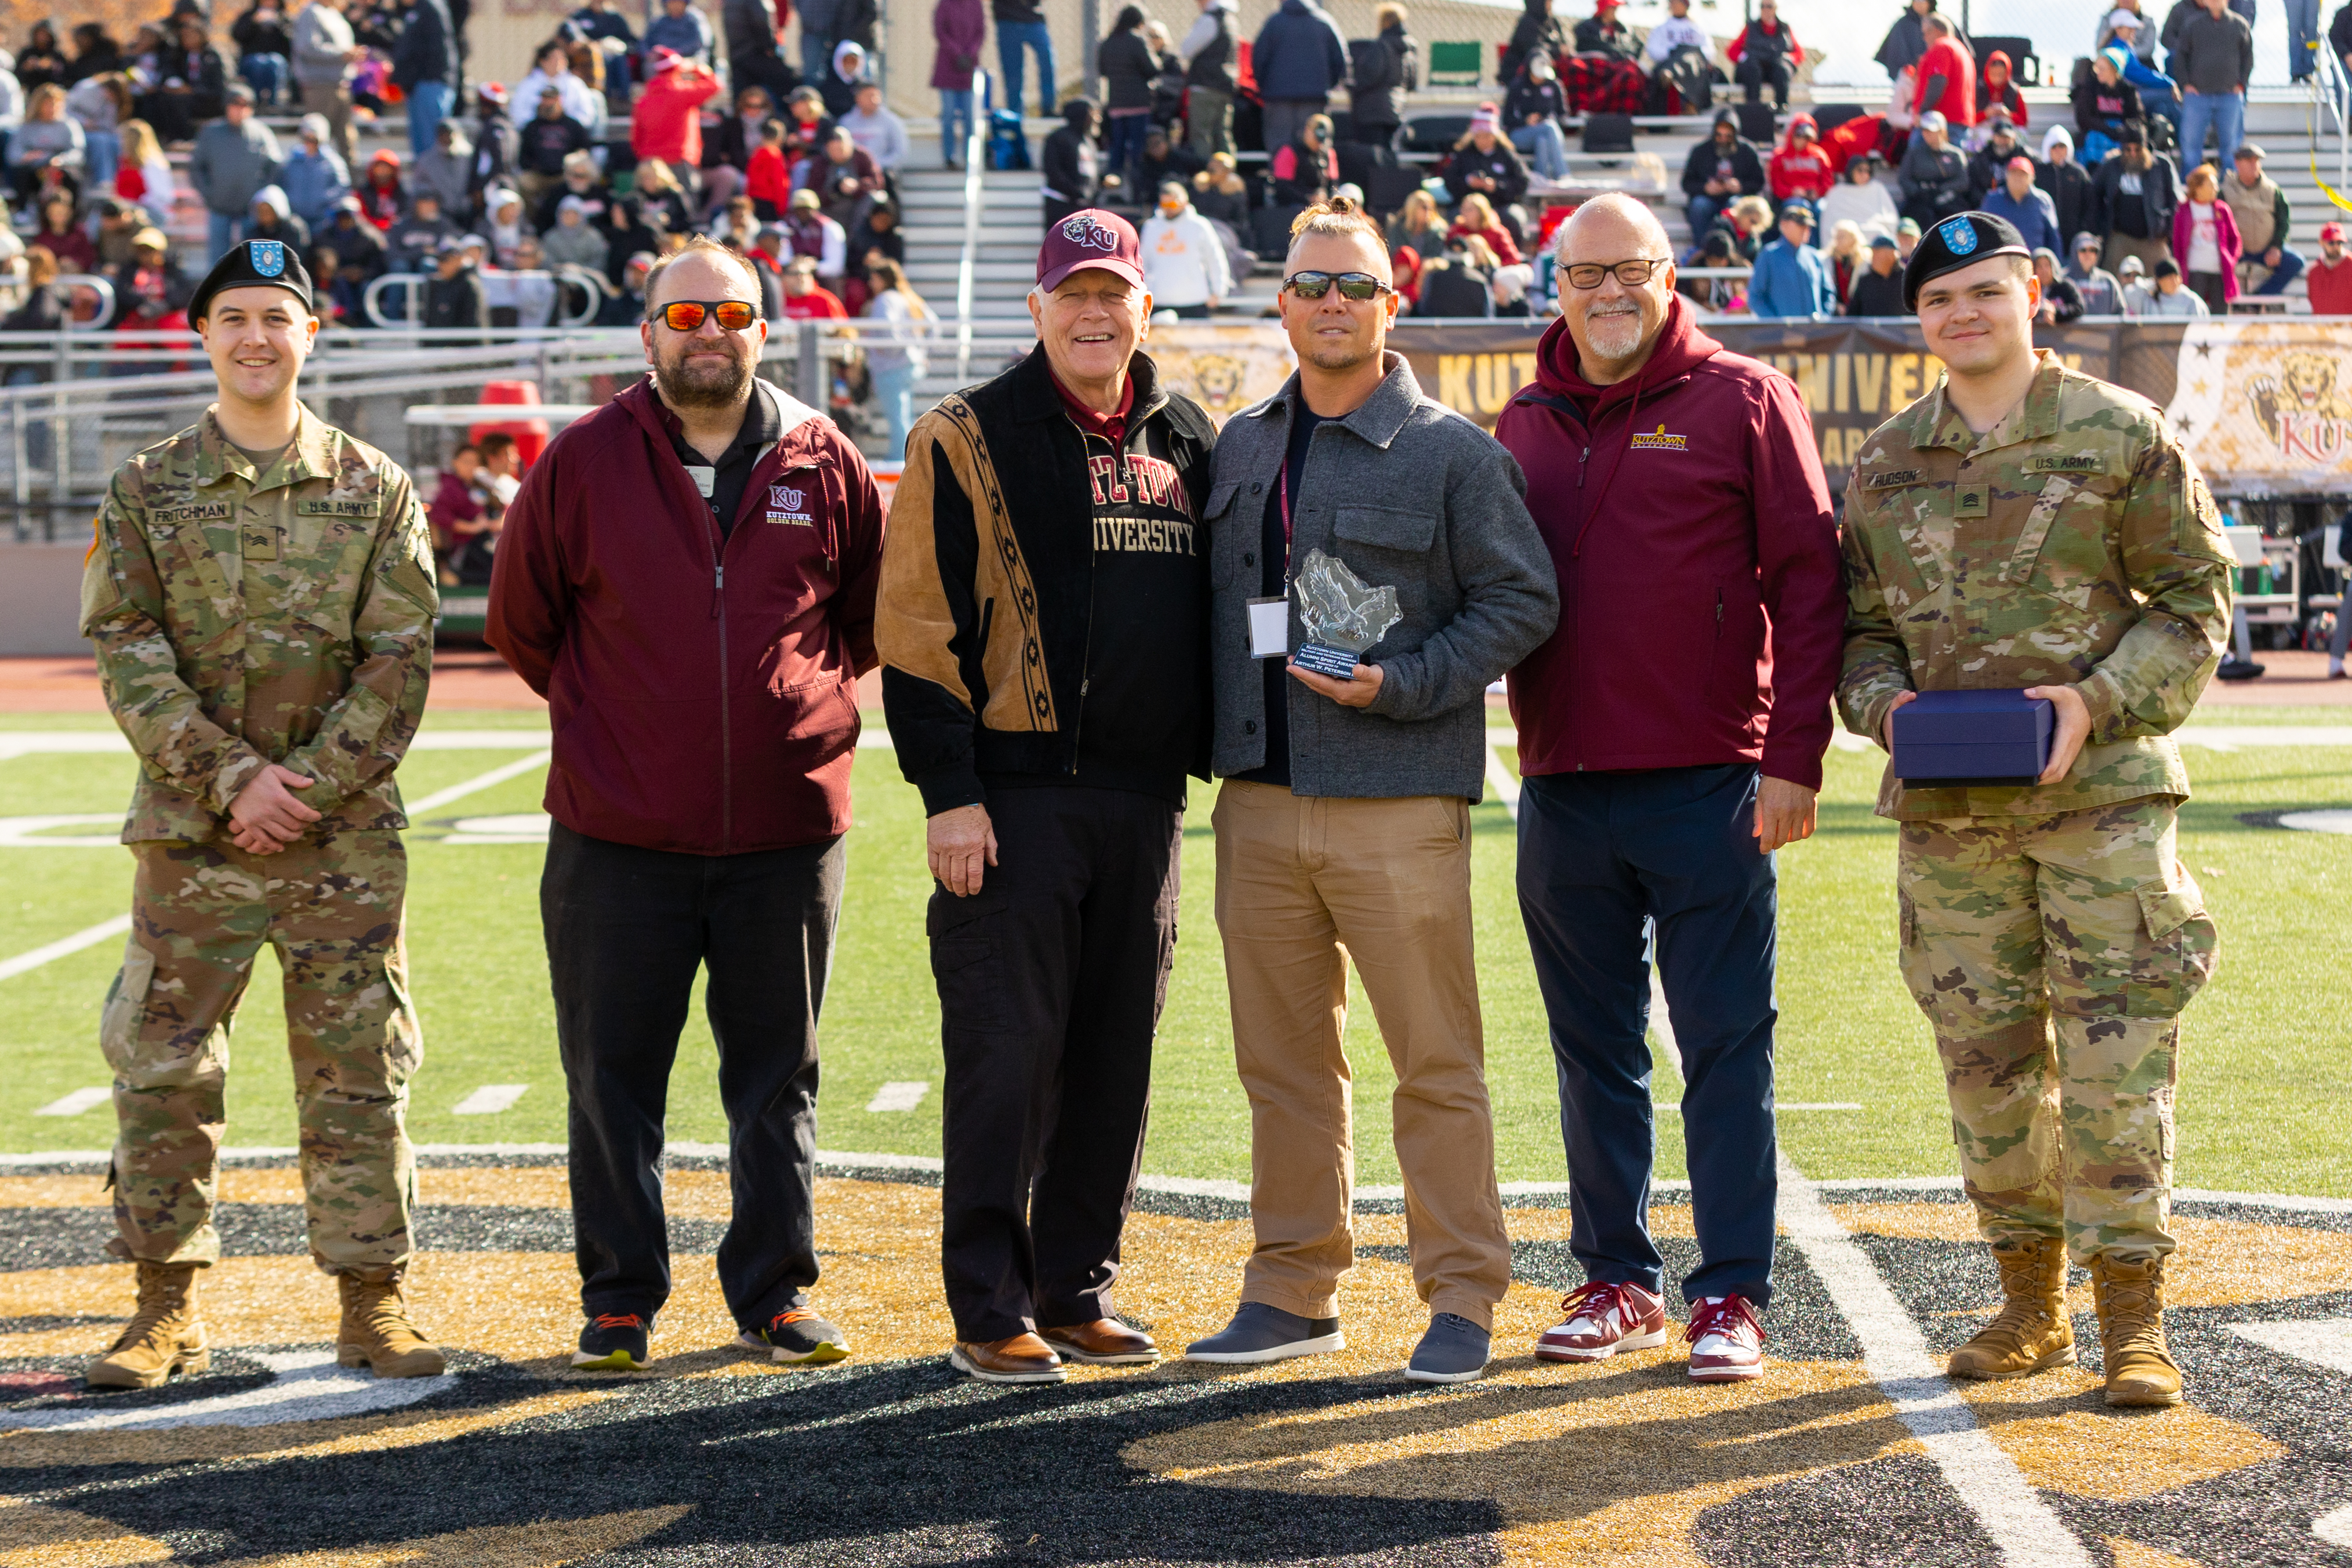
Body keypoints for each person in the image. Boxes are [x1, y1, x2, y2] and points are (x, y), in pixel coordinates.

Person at [1840, 208, 2231, 1410]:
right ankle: (2029, 1304)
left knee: (2118, 1067)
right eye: (1941, 299)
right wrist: (1886, 707)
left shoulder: (2121, 435)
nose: (1964, 314)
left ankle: (2133, 1319)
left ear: (2034, 292)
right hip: (1953, 822)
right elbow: (1856, 633)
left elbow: (2195, 602)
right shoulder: (1888, 460)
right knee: (1990, 1069)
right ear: (1921, 321)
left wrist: (2100, 697)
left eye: (1984, 291)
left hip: (2103, 808)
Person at [487, 235, 883, 1374]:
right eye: (687, 316)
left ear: (768, 328)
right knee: (613, 1078)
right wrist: (631, 725)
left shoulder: (824, 456)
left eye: (734, 316)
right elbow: (523, 623)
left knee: (777, 1078)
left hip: (786, 832)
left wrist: (784, 716)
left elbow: (859, 622)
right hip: (617, 838)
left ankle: (774, 1291)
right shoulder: (581, 461)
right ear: (647, 330)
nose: (710, 334)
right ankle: (620, 1296)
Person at [1183, 197, 1556, 1383]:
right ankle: (1294, 1284)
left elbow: (1522, 602)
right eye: (1310, 284)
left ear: (1393, 303)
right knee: (1283, 1065)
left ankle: (1462, 1296)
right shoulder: (1239, 442)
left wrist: (1404, 683)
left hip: (1399, 796)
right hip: (1259, 802)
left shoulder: (1452, 449)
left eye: (1353, 284)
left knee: (1434, 1061)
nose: (1331, 302)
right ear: (1282, 303)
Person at [78, 238, 444, 1393]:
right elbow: (126, 648)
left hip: (341, 844)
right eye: (234, 317)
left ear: (310, 336)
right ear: (203, 334)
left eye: (276, 319)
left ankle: (372, 1300)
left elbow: (401, 654)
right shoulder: (148, 486)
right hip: (193, 839)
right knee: (165, 1070)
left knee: (356, 1074)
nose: (254, 338)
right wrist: (234, 777)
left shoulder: (375, 486)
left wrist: (307, 786)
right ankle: (161, 1308)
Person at [1497, 191, 1840, 1384]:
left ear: (1668, 274)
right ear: (1557, 285)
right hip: (1563, 786)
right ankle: (1616, 1275)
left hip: (1712, 783)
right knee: (1592, 1049)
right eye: (1584, 272)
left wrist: (1795, 755)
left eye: (1628, 269)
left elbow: (1809, 583)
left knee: (1725, 1046)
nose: (1607, 291)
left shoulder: (1744, 395)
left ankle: (1733, 1289)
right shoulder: (1525, 418)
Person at [875, 209, 1214, 1386]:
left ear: (1143, 310)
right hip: (1011, 802)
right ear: (1036, 308)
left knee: (1115, 1060)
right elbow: (916, 629)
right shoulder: (965, 433)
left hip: (1146, 803)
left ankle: (1075, 1289)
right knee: (1007, 1057)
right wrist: (949, 793)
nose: (1094, 310)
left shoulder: (1184, 435)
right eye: (1072, 290)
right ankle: (990, 1303)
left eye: (1114, 290)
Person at [191, 87, 284, 263]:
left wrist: (262, 196)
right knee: (217, 262)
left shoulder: (261, 133)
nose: (241, 109)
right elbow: (196, 168)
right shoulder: (211, 133)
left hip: (251, 210)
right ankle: (217, 291)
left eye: (246, 104)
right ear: (227, 106)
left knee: (252, 261)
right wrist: (208, 194)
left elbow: (275, 166)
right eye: (236, 104)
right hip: (219, 207)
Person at [1253, 0, 1349, 157]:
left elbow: (1259, 58)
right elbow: (1340, 60)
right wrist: (1326, 86)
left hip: (1278, 99)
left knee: (1280, 149)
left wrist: (1266, 86)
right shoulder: (1324, 20)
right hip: (1314, 99)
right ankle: (1315, 181)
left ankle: (1281, 181)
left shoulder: (1274, 22)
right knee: (1314, 146)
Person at [860, 255, 928, 456]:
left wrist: (889, 349)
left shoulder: (885, 300)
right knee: (902, 416)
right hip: (907, 365)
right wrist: (919, 350)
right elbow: (933, 325)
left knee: (897, 418)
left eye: (873, 279)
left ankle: (901, 458)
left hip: (891, 367)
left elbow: (890, 332)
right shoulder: (908, 297)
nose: (871, 284)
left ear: (882, 279)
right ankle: (907, 457)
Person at [2091, 126, 2180, 277]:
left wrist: (2167, 232)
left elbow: (2174, 200)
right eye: (2128, 149)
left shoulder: (2161, 165)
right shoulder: (2111, 166)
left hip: (2154, 239)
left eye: (2137, 149)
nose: (2133, 154)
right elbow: (2093, 195)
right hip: (2120, 238)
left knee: (2158, 286)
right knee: (2114, 281)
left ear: (2145, 148)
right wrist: (2101, 228)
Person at [2175, 0, 2251, 170]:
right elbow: (2180, 57)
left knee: (2232, 148)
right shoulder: (2192, 25)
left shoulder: (2240, 25)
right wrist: (2185, 84)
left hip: (2230, 97)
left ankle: (2230, 190)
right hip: (2198, 97)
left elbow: (2248, 58)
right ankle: (2191, 190)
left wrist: (2241, 84)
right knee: (2190, 148)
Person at [631, 45, 721, 187]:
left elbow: (636, 139)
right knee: (685, 205)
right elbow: (715, 85)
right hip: (679, 161)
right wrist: (695, 68)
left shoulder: (642, 101)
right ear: (676, 68)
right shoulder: (682, 92)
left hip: (650, 162)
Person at [1139, 177, 1230, 317]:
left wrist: (1219, 291)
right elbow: (1143, 263)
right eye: (1165, 204)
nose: (1168, 208)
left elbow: (1215, 259)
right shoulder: (1151, 227)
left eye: (1173, 204)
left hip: (1195, 299)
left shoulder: (1199, 226)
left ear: (1185, 202)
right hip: (1159, 299)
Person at [2221, 143, 2302, 297]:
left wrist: (2276, 247)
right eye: (2249, 161)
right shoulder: (2226, 190)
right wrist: (2231, 245)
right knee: (2215, 261)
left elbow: (2283, 220)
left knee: (2295, 262)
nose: (2254, 165)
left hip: (2266, 250)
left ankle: (2262, 295)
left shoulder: (2272, 189)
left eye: (2256, 161)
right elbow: (2221, 223)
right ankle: (2230, 297)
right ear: (2237, 163)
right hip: (2238, 250)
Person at [292, 0, 359, 171]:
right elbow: (308, 48)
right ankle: (315, 187)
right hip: (320, 87)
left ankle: (349, 188)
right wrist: (342, 54)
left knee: (347, 143)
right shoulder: (311, 13)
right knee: (317, 141)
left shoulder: (334, 13)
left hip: (341, 86)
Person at [1683, 110, 1765, 241]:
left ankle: (1735, 248)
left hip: (1736, 198)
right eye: (1719, 135)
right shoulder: (1700, 151)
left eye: (1728, 136)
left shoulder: (1748, 151)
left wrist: (1741, 187)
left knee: (1736, 205)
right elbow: (1687, 183)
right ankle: (1703, 248)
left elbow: (1759, 182)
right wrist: (1706, 187)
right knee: (1699, 205)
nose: (1723, 139)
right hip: (1708, 198)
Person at [389, 0, 457, 155]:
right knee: (420, 148)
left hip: (430, 84)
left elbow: (437, 50)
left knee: (432, 145)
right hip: (417, 86)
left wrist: (423, 76)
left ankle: (433, 180)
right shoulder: (413, 10)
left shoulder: (430, 7)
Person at [1443, 108, 1530, 228]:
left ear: (1495, 136)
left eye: (1487, 136)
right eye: (1479, 136)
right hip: (1468, 206)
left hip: (1501, 205)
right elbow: (1449, 182)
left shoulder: (1507, 155)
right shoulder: (1463, 155)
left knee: (1513, 217)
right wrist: (1468, 182)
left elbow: (1522, 182)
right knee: (1456, 216)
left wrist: (1497, 186)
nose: (1482, 141)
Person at [2172, 160, 2240, 313]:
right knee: (2195, 313)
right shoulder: (2184, 210)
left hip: (2219, 270)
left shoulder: (2222, 209)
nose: (2216, 189)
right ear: (2199, 188)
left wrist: (2230, 259)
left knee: (2220, 315)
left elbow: (2235, 239)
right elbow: (2177, 242)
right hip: (2195, 269)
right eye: (2212, 185)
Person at [1748, 198, 1835, 315]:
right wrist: (1777, 325)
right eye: (1801, 225)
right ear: (1784, 225)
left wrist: (1823, 318)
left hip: (1813, 331)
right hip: (1782, 331)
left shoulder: (1814, 256)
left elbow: (1828, 292)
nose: (1806, 230)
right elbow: (1756, 296)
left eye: (1808, 226)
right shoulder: (1769, 255)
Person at [1348, 3, 1416, 149]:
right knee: (1388, 156)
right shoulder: (1409, 50)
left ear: (1384, 22)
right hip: (1396, 112)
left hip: (1372, 113)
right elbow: (1411, 83)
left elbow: (1369, 76)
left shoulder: (1381, 46)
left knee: (1372, 157)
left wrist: (1350, 86)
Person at [931, 0, 986, 167]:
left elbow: (981, 32)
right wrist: (956, 53)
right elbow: (940, 32)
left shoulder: (976, 4)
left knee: (970, 115)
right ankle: (950, 157)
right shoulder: (945, 4)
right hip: (948, 66)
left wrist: (970, 53)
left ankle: (971, 156)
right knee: (948, 116)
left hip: (968, 67)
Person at [1504, 54, 1570, 183]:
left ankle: (1541, 179)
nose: (1540, 79)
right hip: (1520, 134)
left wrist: (1546, 119)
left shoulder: (1554, 85)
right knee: (1549, 128)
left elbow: (1563, 114)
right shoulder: (1517, 86)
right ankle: (1562, 175)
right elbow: (1507, 119)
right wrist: (1525, 121)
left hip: (1548, 134)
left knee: (1543, 140)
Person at [1642, 0, 1715, 112]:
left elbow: (1709, 51)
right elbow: (1653, 50)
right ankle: (1689, 104)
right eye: (1673, 3)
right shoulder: (1661, 29)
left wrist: (1686, 53)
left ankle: (1672, 76)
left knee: (1689, 54)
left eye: (1678, 3)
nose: (1675, 5)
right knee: (1680, 53)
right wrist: (1673, 52)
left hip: (1693, 65)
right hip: (1669, 61)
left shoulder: (1697, 28)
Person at [1899, 111, 1968, 229]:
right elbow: (1904, 179)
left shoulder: (1955, 154)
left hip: (1949, 200)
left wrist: (1942, 189)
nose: (1926, 134)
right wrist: (1919, 192)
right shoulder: (1914, 154)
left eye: (1931, 131)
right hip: (1920, 201)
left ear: (1942, 131)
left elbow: (1963, 181)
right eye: (1924, 130)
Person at [1726, 0, 1801, 108]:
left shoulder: (1785, 29)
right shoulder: (1751, 27)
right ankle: (1754, 109)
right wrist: (1745, 58)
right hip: (1755, 71)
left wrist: (1789, 58)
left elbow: (1799, 53)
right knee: (1752, 69)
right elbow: (1732, 51)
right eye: (1762, 6)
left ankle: (1782, 108)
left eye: (1769, 6)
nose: (1765, 10)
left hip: (1775, 71)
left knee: (1782, 69)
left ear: (1775, 8)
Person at [1983, 155, 2063, 255]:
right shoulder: (1992, 200)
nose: (2017, 178)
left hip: (2035, 266)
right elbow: (1983, 234)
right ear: (2006, 176)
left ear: (2032, 178)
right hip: (2002, 264)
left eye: (2023, 174)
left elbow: (2054, 238)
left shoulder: (2042, 200)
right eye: (2013, 173)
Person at [1041, 98, 1101, 229]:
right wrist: (1076, 192)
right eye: (1093, 114)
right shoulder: (1058, 138)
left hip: (1084, 207)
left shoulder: (1089, 141)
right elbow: (1053, 171)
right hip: (1061, 205)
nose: (1098, 119)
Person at [994, 0, 1057, 118]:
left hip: (1033, 18)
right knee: (1013, 72)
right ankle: (1015, 114)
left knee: (1047, 58)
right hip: (1008, 20)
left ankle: (1048, 108)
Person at [1820, 153, 1898, 241]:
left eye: (1867, 171)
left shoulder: (1877, 189)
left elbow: (1890, 217)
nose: (1864, 174)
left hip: (1873, 230)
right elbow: (1829, 223)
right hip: (1846, 234)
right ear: (1851, 171)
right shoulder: (1837, 192)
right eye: (1860, 170)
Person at [2037, 128, 2094, 248]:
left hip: (2074, 239)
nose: (2058, 150)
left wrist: (2083, 229)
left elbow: (2090, 204)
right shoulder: (2038, 173)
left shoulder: (2079, 173)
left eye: (2062, 146)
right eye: (2054, 147)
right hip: (2046, 238)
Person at [1271, 111, 1339, 208]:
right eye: (1317, 139)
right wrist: (1309, 199)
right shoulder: (1289, 151)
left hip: (1322, 206)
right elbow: (1282, 188)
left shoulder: (1329, 153)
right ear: (1307, 131)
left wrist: (1327, 199)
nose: (1320, 144)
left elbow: (1334, 186)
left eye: (1323, 140)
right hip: (1295, 207)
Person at [1767, 114, 1835, 211]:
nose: (1802, 141)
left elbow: (1828, 182)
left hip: (1816, 199)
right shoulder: (1780, 156)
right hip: (1791, 199)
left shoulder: (1819, 155)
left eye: (1806, 137)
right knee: (1800, 207)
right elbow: (1777, 185)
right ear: (1792, 134)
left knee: (1821, 209)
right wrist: (1792, 192)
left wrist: (1817, 192)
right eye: (1799, 136)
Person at [841, 80, 909, 175]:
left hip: (883, 172)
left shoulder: (892, 122)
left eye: (877, 96)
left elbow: (900, 153)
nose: (874, 100)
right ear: (858, 98)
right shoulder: (846, 122)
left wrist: (876, 166)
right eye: (869, 96)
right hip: (853, 173)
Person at [1848, 228, 1909, 313]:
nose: (1873, 258)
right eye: (1873, 253)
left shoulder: (1907, 279)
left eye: (1877, 253)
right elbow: (1852, 315)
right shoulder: (1865, 281)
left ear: (1891, 255)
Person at [2067, 231, 2127, 311]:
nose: (2088, 254)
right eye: (2083, 250)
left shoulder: (2108, 281)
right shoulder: (2063, 280)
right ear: (2075, 252)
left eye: (2092, 250)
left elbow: (2122, 311)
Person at [644, 0, 717, 65]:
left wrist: (675, 53)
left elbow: (699, 43)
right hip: (661, 62)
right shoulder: (658, 22)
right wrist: (648, 54)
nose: (675, 6)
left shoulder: (694, 20)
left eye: (678, 2)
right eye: (672, 2)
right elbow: (645, 43)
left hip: (688, 60)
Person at [1876, 0, 1934, 80]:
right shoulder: (1903, 24)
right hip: (1907, 76)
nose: (1919, 4)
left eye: (1922, 1)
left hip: (1934, 74)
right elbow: (1895, 50)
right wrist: (1910, 69)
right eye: (1916, 1)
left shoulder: (1938, 23)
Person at [2031, 245, 2085, 321]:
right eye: (2039, 266)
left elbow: (2078, 308)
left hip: (2060, 332)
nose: (2044, 270)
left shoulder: (2065, 286)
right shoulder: (2031, 289)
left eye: (2047, 265)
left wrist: (2055, 311)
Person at [2309, 220, 2352, 311]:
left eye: (2340, 242)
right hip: (2322, 325)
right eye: (2331, 243)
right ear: (2321, 243)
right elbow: (2313, 300)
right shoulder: (2314, 271)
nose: (2336, 247)